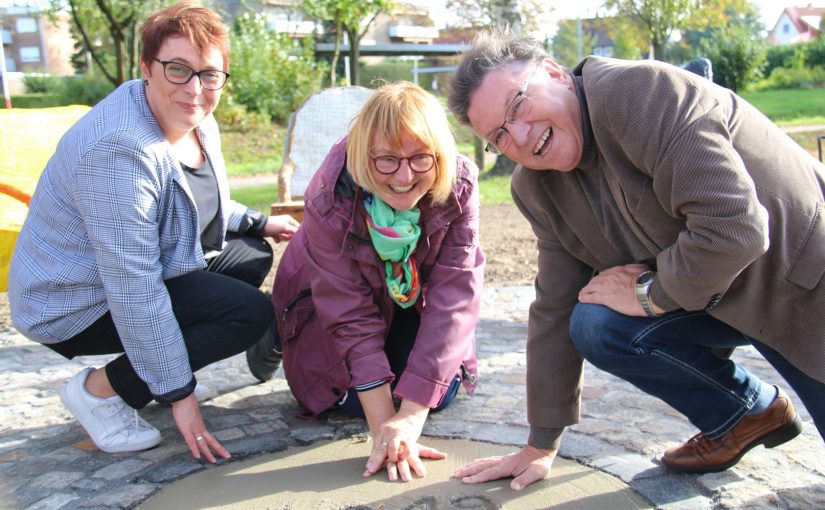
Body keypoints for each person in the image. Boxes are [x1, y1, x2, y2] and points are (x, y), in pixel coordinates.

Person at [446, 30, 825, 489]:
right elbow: (555, 304)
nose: (521, 137)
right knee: (595, 322)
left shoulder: (641, 94)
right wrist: (541, 442)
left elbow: (736, 228)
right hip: (716, 296)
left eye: (518, 106)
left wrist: (651, 294)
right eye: (499, 135)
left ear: (552, 73)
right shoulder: (536, 188)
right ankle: (745, 413)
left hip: (800, 283)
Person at [9, 2, 299, 461]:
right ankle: (101, 391)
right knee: (249, 314)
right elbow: (133, 286)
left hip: (147, 263)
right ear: (146, 66)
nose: (195, 89)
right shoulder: (118, 151)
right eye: (177, 69)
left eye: (209, 74)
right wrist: (181, 394)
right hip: (75, 295)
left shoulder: (197, 118)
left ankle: (161, 366)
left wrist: (260, 222)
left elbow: (199, 199)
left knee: (249, 253)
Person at [255, 81, 485, 482]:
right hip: (321, 292)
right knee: (345, 400)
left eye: (420, 158)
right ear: (365, 156)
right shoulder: (329, 196)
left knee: (436, 394)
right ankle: (276, 334)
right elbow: (350, 313)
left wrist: (409, 421)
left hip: (406, 298)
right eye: (386, 161)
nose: (403, 175)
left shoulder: (459, 184)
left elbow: (454, 295)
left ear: (441, 155)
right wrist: (384, 430)